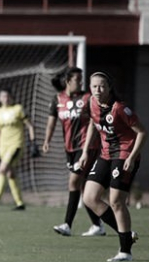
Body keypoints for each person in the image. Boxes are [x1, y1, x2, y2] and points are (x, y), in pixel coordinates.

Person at [79, 72, 146, 262]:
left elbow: (142, 132)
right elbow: (93, 122)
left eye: (101, 86)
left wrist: (132, 157)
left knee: (116, 201)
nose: (98, 90)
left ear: (109, 88)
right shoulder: (92, 103)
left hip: (124, 155)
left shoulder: (120, 109)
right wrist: (85, 151)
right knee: (90, 198)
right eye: (94, 86)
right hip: (105, 154)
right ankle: (126, 234)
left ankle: (125, 252)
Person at [43, 67, 106, 237]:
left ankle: (67, 225)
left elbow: (95, 121)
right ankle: (97, 225)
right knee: (85, 190)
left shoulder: (87, 98)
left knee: (73, 183)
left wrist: (88, 149)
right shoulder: (57, 99)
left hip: (87, 147)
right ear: (67, 81)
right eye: (77, 79)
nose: (81, 82)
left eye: (81, 78)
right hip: (70, 149)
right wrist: (47, 141)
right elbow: (51, 122)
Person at [0, 88, 39, 211]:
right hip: (2, 147)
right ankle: (20, 203)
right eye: (3, 96)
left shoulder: (18, 109)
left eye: (7, 96)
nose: (6, 98)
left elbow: (30, 126)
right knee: (10, 173)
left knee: (2, 169)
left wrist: (33, 142)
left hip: (16, 145)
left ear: (12, 97)